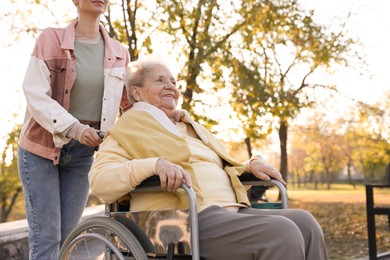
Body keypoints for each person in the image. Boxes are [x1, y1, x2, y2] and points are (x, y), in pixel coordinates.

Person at [89, 57, 329, 260]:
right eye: (159, 80)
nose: (170, 86)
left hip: (232, 211)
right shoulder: (127, 130)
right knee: (282, 232)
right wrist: (153, 165)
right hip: (185, 218)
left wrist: (249, 166)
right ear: (136, 92)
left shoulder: (190, 126)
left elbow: (219, 168)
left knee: (305, 223)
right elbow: (100, 181)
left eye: (173, 81)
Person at [17, 1, 131, 259]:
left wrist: (167, 113)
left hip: (83, 154)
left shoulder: (118, 52)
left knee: (70, 237)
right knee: (47, 236)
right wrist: (76, 129)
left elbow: (130, 105)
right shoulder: (51, 39)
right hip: (41, 150)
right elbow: (35, 94)